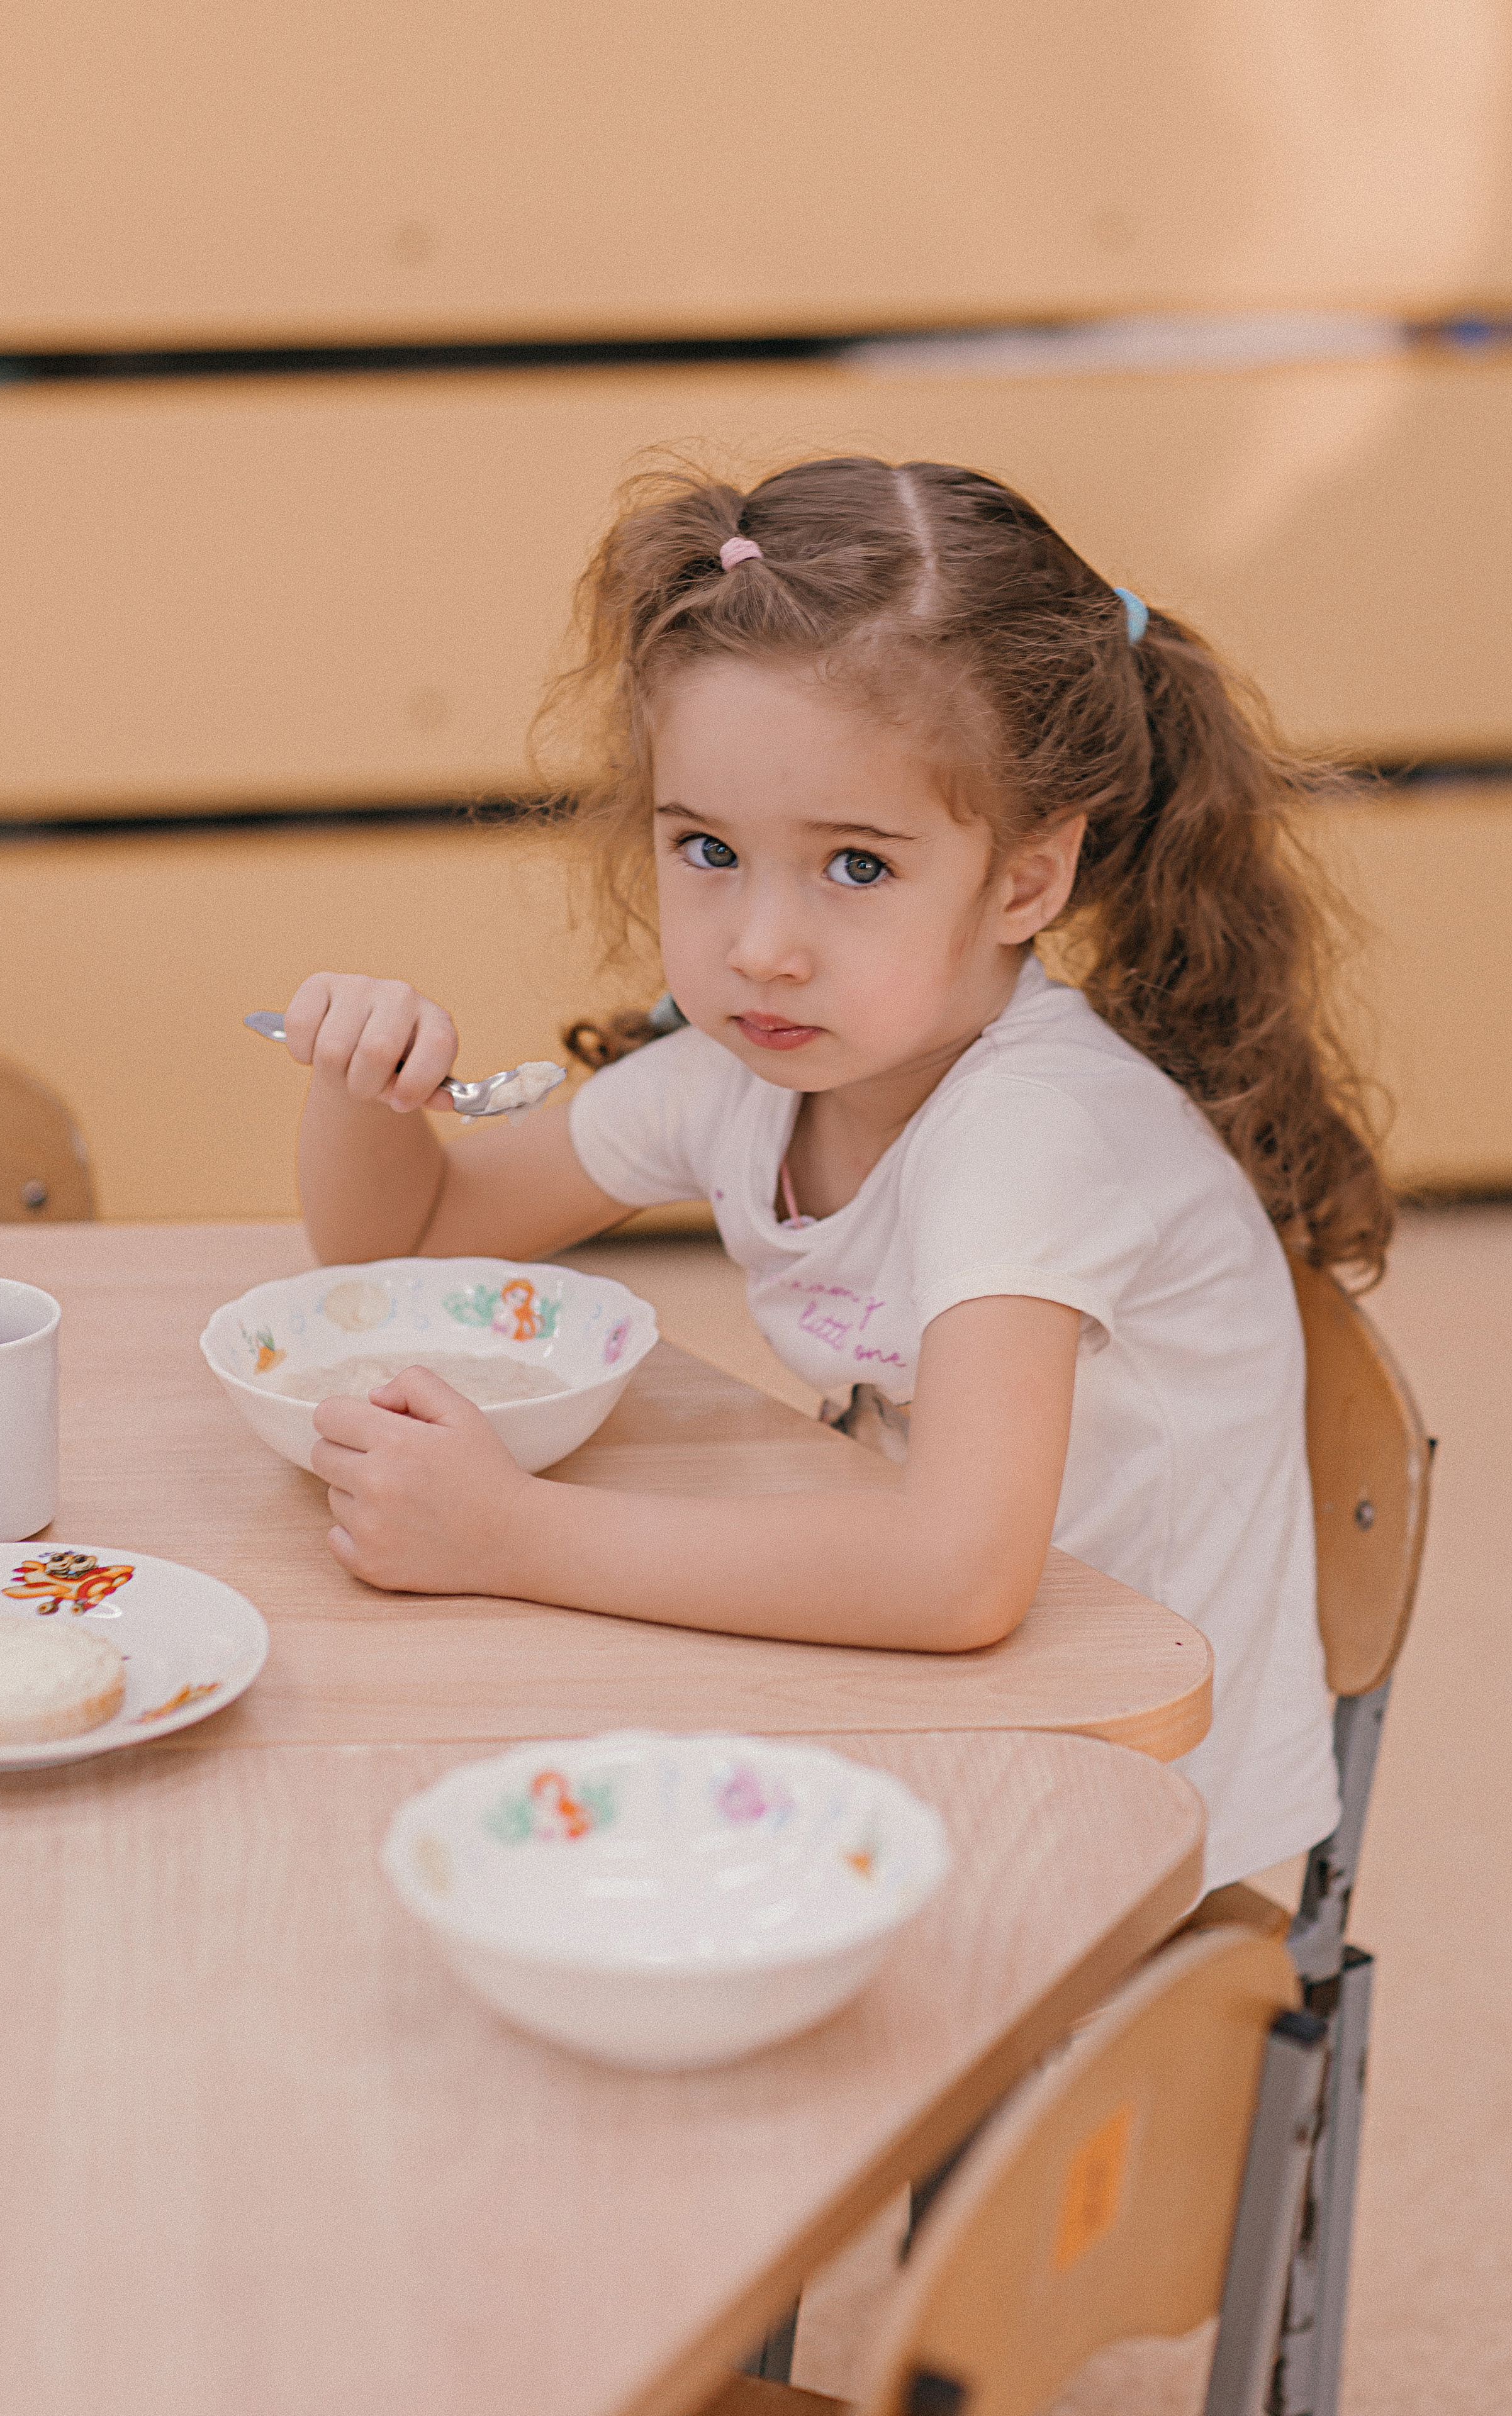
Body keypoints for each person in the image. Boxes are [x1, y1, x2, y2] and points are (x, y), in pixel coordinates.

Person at [283, 456, 1391, 1889]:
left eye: (855, 867)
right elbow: (417, 1236)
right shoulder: (752, 1068)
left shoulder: (1031, 1133)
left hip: (1126, 1820)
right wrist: (360, 1083)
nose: (759, 947)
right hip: (948, 1713)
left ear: (1024, 880)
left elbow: (957, 1574)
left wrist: (514, 1533)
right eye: (707, 849)